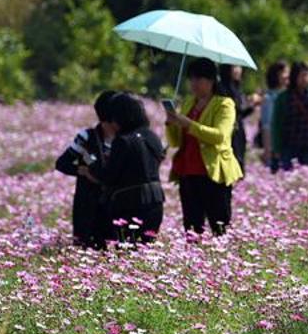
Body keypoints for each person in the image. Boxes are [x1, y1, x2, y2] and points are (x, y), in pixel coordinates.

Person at [166, 58, 243, 236]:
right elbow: (175, 142)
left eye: (198, 79)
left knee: (219, 225)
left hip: (213, 173)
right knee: (192, 228)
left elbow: (220, 136)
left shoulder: (224, 104)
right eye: (191, 79)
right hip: (188, 172)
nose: (193, 83)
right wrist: (171, 124)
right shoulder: (188, 103)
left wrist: (189, 124)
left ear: (211, 80)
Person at [83, 92, 165, 244]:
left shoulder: (123, 141)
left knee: (128, 251)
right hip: (156, 203)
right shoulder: (152, 136)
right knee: (146, 251)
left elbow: (108, 177)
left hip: (130, 205)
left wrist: (90, 166)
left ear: (119, 117)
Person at [55, 90, 117, 249]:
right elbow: (62, 163)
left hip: (114, 204)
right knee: (87, 246)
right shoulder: (87, 137)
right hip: (88, 203)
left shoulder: (126, 139)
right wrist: (82, 171)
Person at [218, 64, 261, 175]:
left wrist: (252, 107)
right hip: (229, 132)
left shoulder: (236, 88)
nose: (238, 70)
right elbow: (233, 113)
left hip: (238, 131)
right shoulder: (221, 88)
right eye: (235, 67)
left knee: (239, 162)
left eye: (239, 67)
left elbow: (239, 114)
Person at [259, 60, 290, 169]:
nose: (288, 76)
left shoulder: (290, 95)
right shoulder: (269, 98)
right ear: (277, 75)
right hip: (277, 146)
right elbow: (266, 126)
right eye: (285, 72)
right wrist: (267, 150)